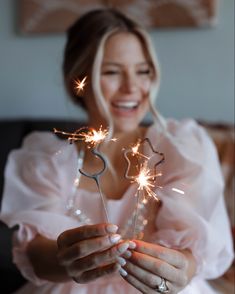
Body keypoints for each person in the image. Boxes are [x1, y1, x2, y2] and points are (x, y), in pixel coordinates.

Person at [0, 8, 233, 294]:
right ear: (79, 80)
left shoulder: (182, 148)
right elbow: (36, 254)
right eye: (111, 71)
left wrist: (183, 268)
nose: (132, 87)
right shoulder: (46, 160)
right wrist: (66, 260)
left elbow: (196, 251)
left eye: (143, 71)